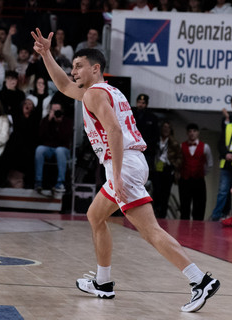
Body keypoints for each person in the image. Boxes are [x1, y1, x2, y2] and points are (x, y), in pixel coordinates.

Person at [31, 28, 220, 312]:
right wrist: (47, 54)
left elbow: (115, 131)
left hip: (124, 164)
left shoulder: (95, 94)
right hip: (129, 162)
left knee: (149, 231)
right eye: (72, 67)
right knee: (95, 216)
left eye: (78, 66)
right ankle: (103, 283)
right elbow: (63, 86)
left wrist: (117, 175)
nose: (74, 72)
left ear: (96, 68)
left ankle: (199, 280)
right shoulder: (106, 91)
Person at [34, 102, 73, 193]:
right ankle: (38, 182)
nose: (55, 112)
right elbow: (41, 137)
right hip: (49, 148)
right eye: (53, 110)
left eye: (57, 110)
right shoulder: (46, 120)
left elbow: (65, 138)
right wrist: (48, 121)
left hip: (62, 148)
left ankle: (60, 183)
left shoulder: (67, 121)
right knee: (39, 149)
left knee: (59, 150)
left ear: (61, 111)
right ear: (50, 111)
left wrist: (59, 124)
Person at [2, 97, 39, 188]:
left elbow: (34, 135)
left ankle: (26, 182)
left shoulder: (35, 119)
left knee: (27, 152)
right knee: (12, 145)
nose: (27, 105)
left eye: (30, 104)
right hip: (17, 144)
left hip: (29, 145)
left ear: (33, 108)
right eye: (25, 103)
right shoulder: (17, 117)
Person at [179, 123, 213, 221]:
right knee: (184, 206)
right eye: (190, 131)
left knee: (199, 206)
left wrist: (201, 173)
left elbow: (209, 164)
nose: (192, 133)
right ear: (187, 133)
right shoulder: (181, 146)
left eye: (194, 131)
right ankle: (183, 230)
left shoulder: (205, 147)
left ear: (198, 133)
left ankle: (198, 231)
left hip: (199, 180)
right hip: (185, 179)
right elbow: (179, 162)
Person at [152, 120, 181, 219]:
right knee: (156, 193)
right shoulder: (156, 140)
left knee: (165, 194)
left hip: (167, 169)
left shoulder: (173, 142)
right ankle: (155, 214)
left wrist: (174, 165)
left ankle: (162, 216)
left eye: (168, 127)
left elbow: (179, 157)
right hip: (157, 168)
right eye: (164, 127)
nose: (165, 129)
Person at [132, 93, 159, 181]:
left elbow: (155, 135)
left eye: (143, 103)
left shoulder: (152, 117)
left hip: (147, 151)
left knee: (145, 174)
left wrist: (147, 146)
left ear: (146, 104)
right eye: (139, 102)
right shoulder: (130, 114)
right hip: (132, 149)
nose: (140, 105)